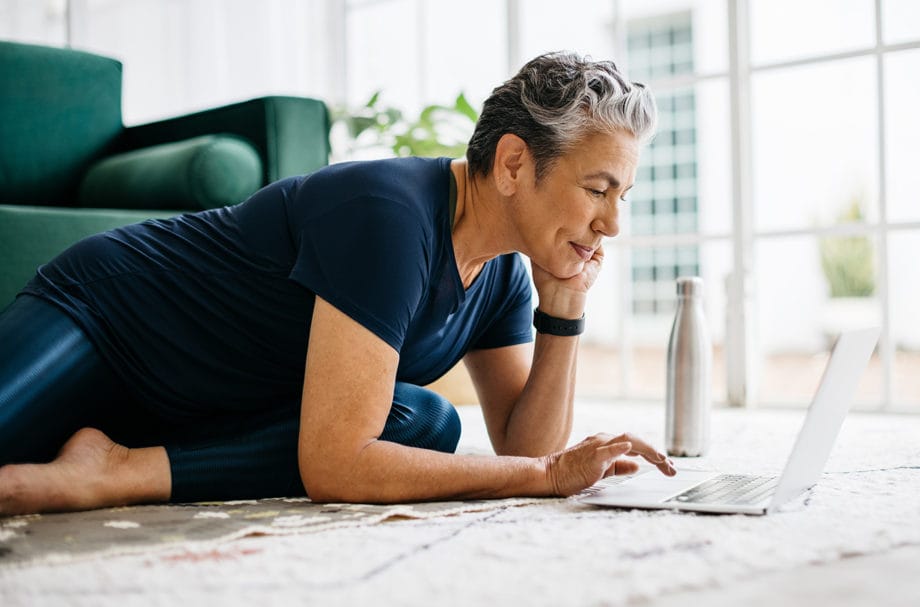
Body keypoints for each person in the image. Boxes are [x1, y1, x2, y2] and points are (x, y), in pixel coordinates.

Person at [0, 51, 676, 515]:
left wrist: (562, 311)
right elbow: (338, 465)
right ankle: (109, 465)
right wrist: (546, 476)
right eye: (598, 189)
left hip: (190, 410)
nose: (612, 222)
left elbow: (526, 446)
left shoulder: (501, 272)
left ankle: (118, 468)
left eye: (623, 195)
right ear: (511, 164)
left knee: (423, 421)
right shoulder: (390, 215)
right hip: (106, 321)